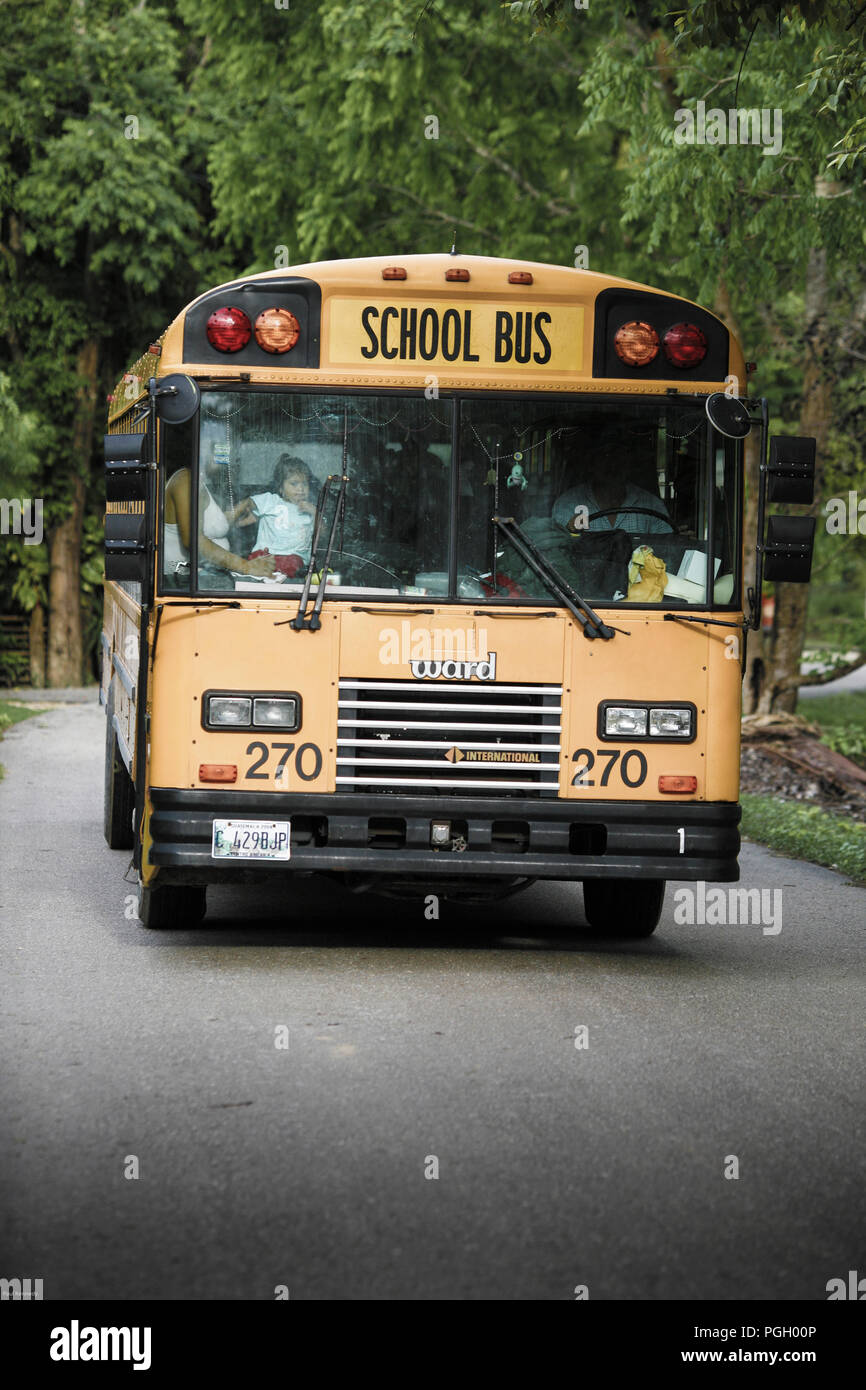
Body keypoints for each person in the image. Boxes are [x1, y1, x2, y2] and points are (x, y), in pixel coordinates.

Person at [163, 445, 275, 579]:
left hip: (207, 576)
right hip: (182, 581)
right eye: (220, 451)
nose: (227, 458)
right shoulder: (184, 480)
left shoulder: (202, 483)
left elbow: (209, 525)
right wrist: (246, 566)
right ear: (202, 450)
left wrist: (238, 517)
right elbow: (194, 540)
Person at [552, 434, 671, 534]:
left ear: (629, 465)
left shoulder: (652, 505)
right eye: (605, 456)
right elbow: (556, 552)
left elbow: (666, 548)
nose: (612, 465)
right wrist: (569, 532)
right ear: (592, 464)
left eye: (619, 457)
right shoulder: (567, 504)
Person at [248, 455, 318, 577]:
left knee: (292, 564)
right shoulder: (271, 501)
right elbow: (249, 505)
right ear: (281, 487)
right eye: (294, 484)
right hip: (265, 554)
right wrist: (231, 518)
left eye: (304, 484)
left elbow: (322, 533)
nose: (301, 489)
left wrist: (316, 513)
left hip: (292, 558)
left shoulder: (309, 510)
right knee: (255, 560)